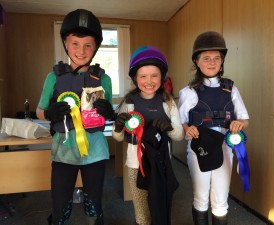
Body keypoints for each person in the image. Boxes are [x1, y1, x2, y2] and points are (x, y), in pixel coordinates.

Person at [36, 9, 114, 225]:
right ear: (65, 44)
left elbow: (109, 114)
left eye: (88, 45)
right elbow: (39, 110)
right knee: (60, 204)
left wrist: (110, 113)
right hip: (63, 151)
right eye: (75, 44)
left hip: (95, 151)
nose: (81, 50)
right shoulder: (53, 77)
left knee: (94, 203)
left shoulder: (103, 79)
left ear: (96, 47)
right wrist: (49, 113)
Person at [178, 31, 249, 225]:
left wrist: (239, 124)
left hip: (225, 148)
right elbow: (181, 121)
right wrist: (187, 128)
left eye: (216, 58)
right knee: (201, 197)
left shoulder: (231, 89)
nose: (212, 62)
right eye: (206, 58)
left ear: (222, 61)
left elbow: (244, 119)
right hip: (199, 149)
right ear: (197, 61)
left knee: (220, 200)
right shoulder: (188, 92)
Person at [112, 46, 184, 225]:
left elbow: (179, 136)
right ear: (135, 79)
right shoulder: (129, 103)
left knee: (161, 206)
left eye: (154, 75)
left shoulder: (168, 102)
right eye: (143, 76)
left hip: (161, 164)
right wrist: (118, 127)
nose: (149, 81)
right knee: (142, 212)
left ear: (162, 77)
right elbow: (119, 138)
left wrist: (169, 128)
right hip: (136, 165)